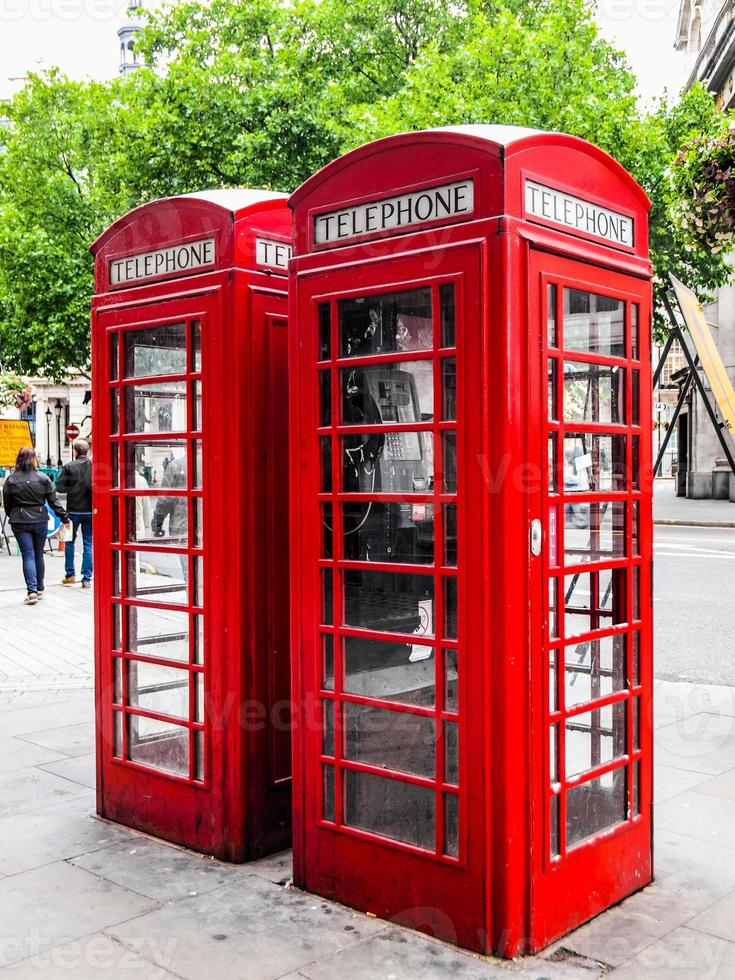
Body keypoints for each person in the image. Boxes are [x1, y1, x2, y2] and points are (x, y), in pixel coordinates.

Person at [2, 446, 70, 605]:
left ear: (18, 459)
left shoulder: (11, 480)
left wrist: (14, 514)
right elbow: (54, 502)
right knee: (38, 553)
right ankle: (40, 588)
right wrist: (64, 518)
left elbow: (7, 504)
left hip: (19, 520)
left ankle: (31, 591)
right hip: (39, 518)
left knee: (28, 555)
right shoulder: (43, 478)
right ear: (34, 459)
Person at [56, 439, 93, 587]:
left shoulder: (69, 467)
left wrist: (72, 488)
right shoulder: (94, 466)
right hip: (90, 511)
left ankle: (70, 575)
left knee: (69, 542)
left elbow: (59, 487)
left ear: (75, 451)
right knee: (88, 543)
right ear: (87, 451)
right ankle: (87, 579)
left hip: (72, 511)